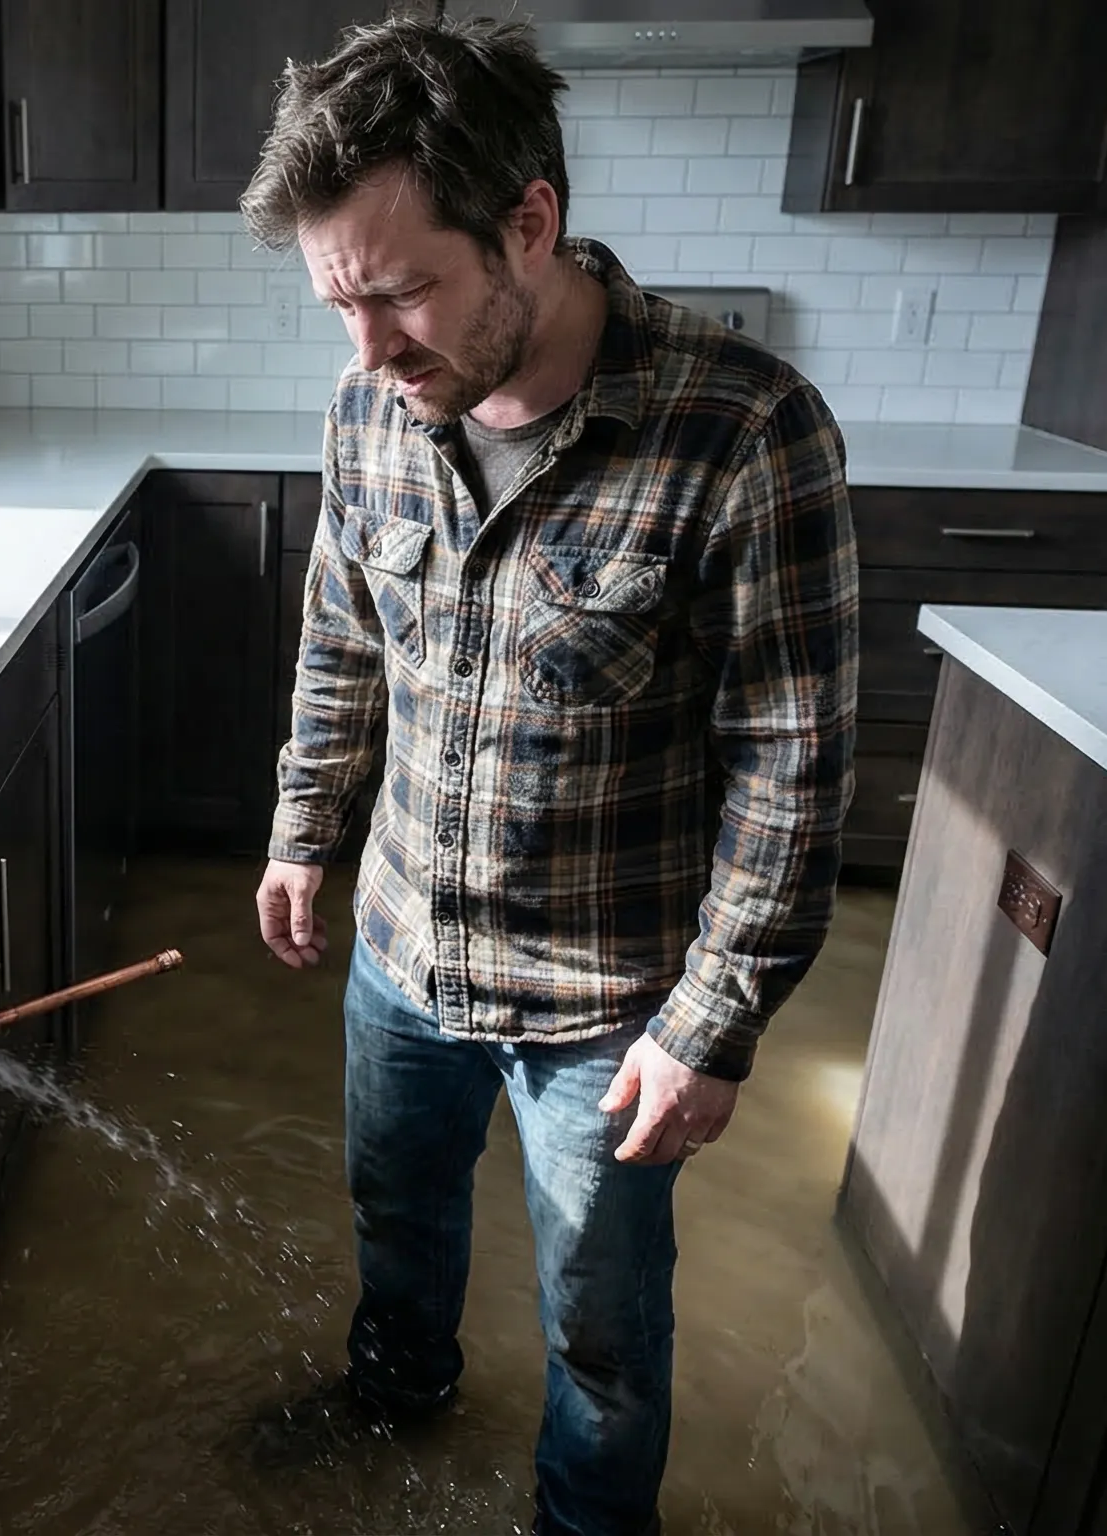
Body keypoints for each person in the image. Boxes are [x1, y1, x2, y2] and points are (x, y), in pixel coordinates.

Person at [239, 12, 860, 1533]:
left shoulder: (745, 430)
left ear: (529, 224)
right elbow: (342, 642)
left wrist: (713, 1028)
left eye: (400, 295)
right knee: (398, 1215)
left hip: (606, 1006)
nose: (371, 350)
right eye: (339, 305)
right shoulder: (368, 412)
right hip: (402, 942)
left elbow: (791, 768)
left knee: (603, 1321)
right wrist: (304, 831)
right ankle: (399, 1392)